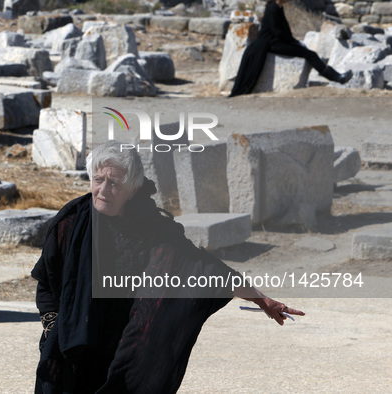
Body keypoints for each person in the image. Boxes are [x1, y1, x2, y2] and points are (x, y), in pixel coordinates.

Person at [32, 141, 304, 393]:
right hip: (69, 347)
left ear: (133, 189)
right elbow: (46, 280)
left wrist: (261, 300)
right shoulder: (70, 223)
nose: (102, 190)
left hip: (120, 348)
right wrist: (53, 325)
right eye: (98, 180)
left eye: (113, 183)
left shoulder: (153, 229)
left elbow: (206, 270)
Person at [230, 0, 352, 97]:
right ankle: (336, 77)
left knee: (309, 53)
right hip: (270, 44)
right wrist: (292, 43)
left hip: (275, 41)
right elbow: (277, 33)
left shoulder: (278, 8)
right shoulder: (273, 8)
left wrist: (294, 42)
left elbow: (284, 32)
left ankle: (336, 76)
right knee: (310, 54)